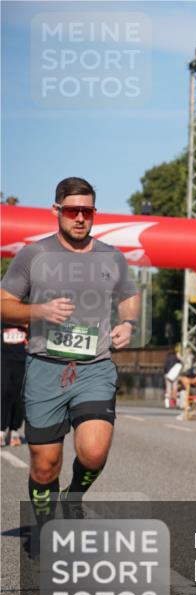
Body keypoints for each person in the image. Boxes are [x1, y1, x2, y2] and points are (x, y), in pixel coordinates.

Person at [0, 177, 139, 527]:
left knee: (93, 454)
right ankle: (46, 529)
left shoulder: (111, 256)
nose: (80, 218)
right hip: (45, 367)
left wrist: (127, 323)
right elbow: (4, 303)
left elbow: (129, 296)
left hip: (95, 367)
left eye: (87, 212)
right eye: (73, 210)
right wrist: (38, 311)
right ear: (56, 210)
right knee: (44, 465)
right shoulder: (34, 255)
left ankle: (74, 495)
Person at [1, 323, 28, 446]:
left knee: (19, 395)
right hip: (3, 357)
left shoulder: (29, 315)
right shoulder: (5, 313)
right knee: (3, 392)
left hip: (24, 358)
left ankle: (14, 430)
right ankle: (1, 431)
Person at [163, 343, 181, 408]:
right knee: (175, 389)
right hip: (175, 375)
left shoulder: (168, 357)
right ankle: (177, 403)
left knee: (168, 389)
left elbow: (165, 366)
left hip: (167, 374)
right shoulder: (177, 357)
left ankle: (167, 402)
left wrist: (166, 373)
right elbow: (181, 362)